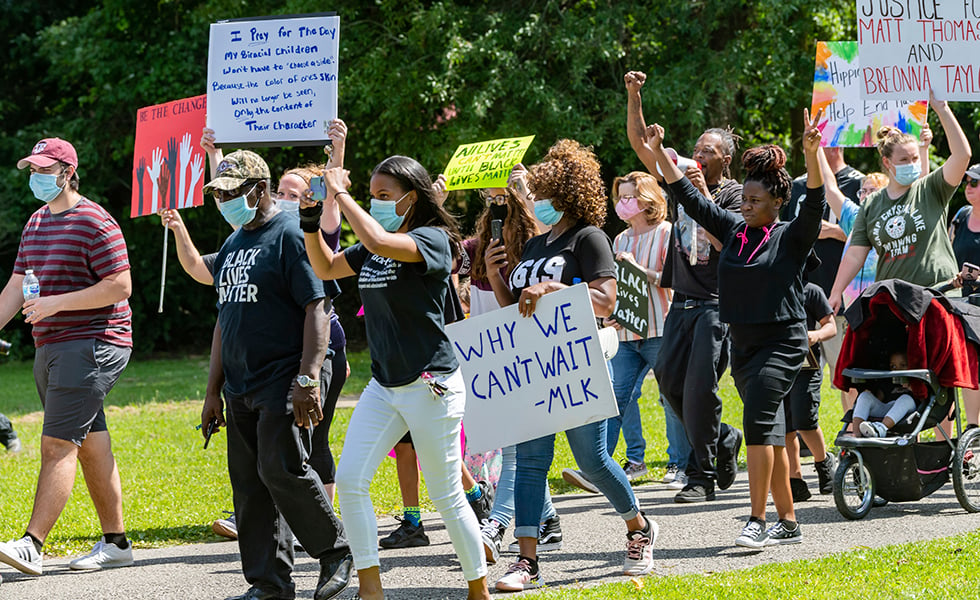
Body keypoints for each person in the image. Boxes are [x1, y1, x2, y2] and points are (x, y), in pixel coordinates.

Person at [302, 155, 491, 600]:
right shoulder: (374, 243)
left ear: (414, 196)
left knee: (445, 496)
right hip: (385, 386)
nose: (377, 202)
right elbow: (326, 267)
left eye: (385, 196)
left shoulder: (436, 240)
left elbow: (382, 240)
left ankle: (478, 590)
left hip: (432, 385)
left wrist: (341, 194)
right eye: (373, 195)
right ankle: (371, 590)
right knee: (350, 481)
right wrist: (312, 221)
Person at [645, 107, 826, 548]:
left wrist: (812, 153)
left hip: (783, 342)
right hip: (743, 344)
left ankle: (757, 520)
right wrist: (658, 156)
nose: (745, 207)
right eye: (743, 200)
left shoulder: (790, 236)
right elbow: (690, 197)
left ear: (777, 203)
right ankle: (789, 520)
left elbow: (816, 201)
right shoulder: (734, 230)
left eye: (755, 202)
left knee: (760, 424)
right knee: (773, 436)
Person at [484, 139, 658, 591]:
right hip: (535, 367)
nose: (534, 201)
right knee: (530, 461)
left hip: (576, 365)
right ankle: (526, 562)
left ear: (564, 196)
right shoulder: (537, 242)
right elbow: (514, 311)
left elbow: (606, 300)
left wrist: (551, 290)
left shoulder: (589, 237)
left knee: (593, 461)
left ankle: (639, 528)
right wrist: (498, 275)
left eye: (541, 193)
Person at [200, 150, 353, 600]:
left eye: (232, 193)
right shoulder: (232, 245)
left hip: (287, 375)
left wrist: (308, 377)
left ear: (259, 190)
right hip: (242, 383)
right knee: (248, 482)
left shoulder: (290, 234)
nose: (223, 200)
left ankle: (335, 551)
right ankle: (269, 584)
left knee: (280, 465)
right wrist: (213, 390)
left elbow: (318, 305)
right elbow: (224, 322)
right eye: (218, 194)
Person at [0, 138, 134, 575]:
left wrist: (57, 303)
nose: (36, 177)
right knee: (90, 443)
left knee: (58, 444)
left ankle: (32, 545)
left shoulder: (96, 221)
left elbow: (120, 286)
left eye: (44, 169)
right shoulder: (36, 223)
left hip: (94, 341)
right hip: (51, 344)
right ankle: (116, 544)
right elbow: (16, 287)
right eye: (32, 170)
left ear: (67, 172)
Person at [624, 71, 743, 502]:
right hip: (683, 302)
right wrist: (634, 96)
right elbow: (641, 145)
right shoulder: (680, 186)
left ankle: (700, 475)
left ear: (724, 159)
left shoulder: (733, 196)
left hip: (717, 305)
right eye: (695, 151)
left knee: (698, 390)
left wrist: (702, 196)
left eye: (707, 152)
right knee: (671, 385)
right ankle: (724, 435)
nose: (697, 157)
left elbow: (723, 240)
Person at [461, 174, 562, 564]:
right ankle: (547, 517)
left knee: (519, 443)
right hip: (489, 349)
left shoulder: (537, 250)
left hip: (524, 350)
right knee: (521, 442)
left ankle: (497, 524)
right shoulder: (479, 249)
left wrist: (523, 194)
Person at [829, 92, 972, 311]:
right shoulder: (872, 204)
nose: (911, 164)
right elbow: (856, 252)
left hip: (939, 298)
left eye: (915, 158)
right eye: (904, 160)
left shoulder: (931, 188)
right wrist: (836, 291)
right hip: (894, 302)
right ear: (887, 162)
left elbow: (962, 156)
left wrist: (942, 108)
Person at [603, 171, 688, 485]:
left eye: (630, 197)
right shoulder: (620, 239)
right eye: (621, 197)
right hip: (625, 333)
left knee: (669, 397)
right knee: (616, 399)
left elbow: (673, 279)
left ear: (648, 199)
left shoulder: (666, 232)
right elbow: (618, 286)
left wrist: (638, 268)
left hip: (660, 328)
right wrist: (610, 313)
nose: (623, 203)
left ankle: (679, 464)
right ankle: (616, 464)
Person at [782, 281, 837, 501]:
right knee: (784, 424)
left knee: (804, 419)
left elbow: (831, 326)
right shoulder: (771, 286)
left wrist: (815, 335)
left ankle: (823, 462)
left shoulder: (812, 290)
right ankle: (794, 479)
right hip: (780, 364)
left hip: (807, 365)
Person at [948, 162, 980, 429]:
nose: (968, 187)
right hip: (963, 304)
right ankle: (972, 428)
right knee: (969, 366)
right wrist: (953, 277)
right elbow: (947, 253)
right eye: (967, 182)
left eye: (975, 183)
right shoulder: (960, 215)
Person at [851, 351, 918, 438]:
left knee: (906, 399)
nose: (897, 370)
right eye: (893, 366)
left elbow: (922, 397)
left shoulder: (914, 382)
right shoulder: (888, 381)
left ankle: (880, 429)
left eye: (903, 365)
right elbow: (879, 399)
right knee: (865, 396)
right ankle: (856, 433)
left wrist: (911, 387)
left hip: (907, 411)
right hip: (887, 410)